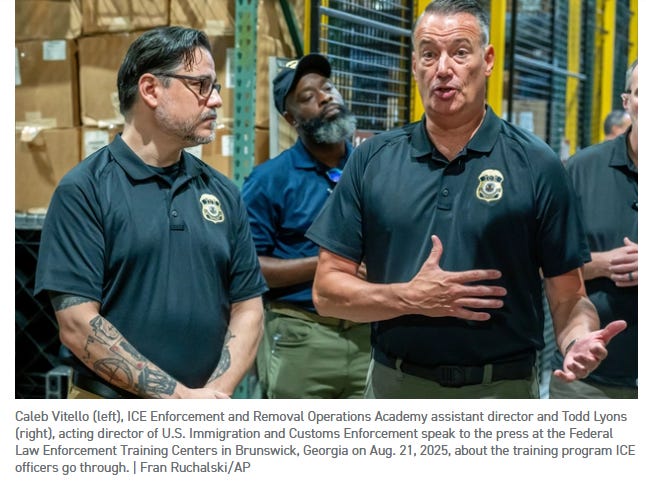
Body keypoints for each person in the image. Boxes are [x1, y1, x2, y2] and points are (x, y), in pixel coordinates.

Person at [306, 0, 626, 399]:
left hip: (503, 392)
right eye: (429, 54)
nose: (443, 69)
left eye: (459, 52)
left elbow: (569, 297)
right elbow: (327, 292)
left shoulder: (536, 164)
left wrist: (577, 339)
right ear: (414, 65)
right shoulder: (372, 160)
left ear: (487, 60)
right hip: (395, 386)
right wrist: (409, 297)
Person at [34, 26, 267, 399]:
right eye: (201, 85)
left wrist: (213, 396)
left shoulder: (223, 193)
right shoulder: (85, 190)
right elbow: (77, 323)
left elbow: (248, 308)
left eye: (216, 87)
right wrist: (180, 399)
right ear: (151, 89)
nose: (216, 100)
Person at [241, 54, 370, 398]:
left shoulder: (370, 168)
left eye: (327, 87)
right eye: (308, 96)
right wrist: (330, 263)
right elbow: (251, 267)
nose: (325, 97)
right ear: (291, 118)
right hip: (301, 337)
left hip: (368, 335)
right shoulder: (269, 180)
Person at [549, 60, 638, 399]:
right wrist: (604, 263)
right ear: (627, 102)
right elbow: (544, 260)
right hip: (589, 382)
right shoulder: (580, 170)